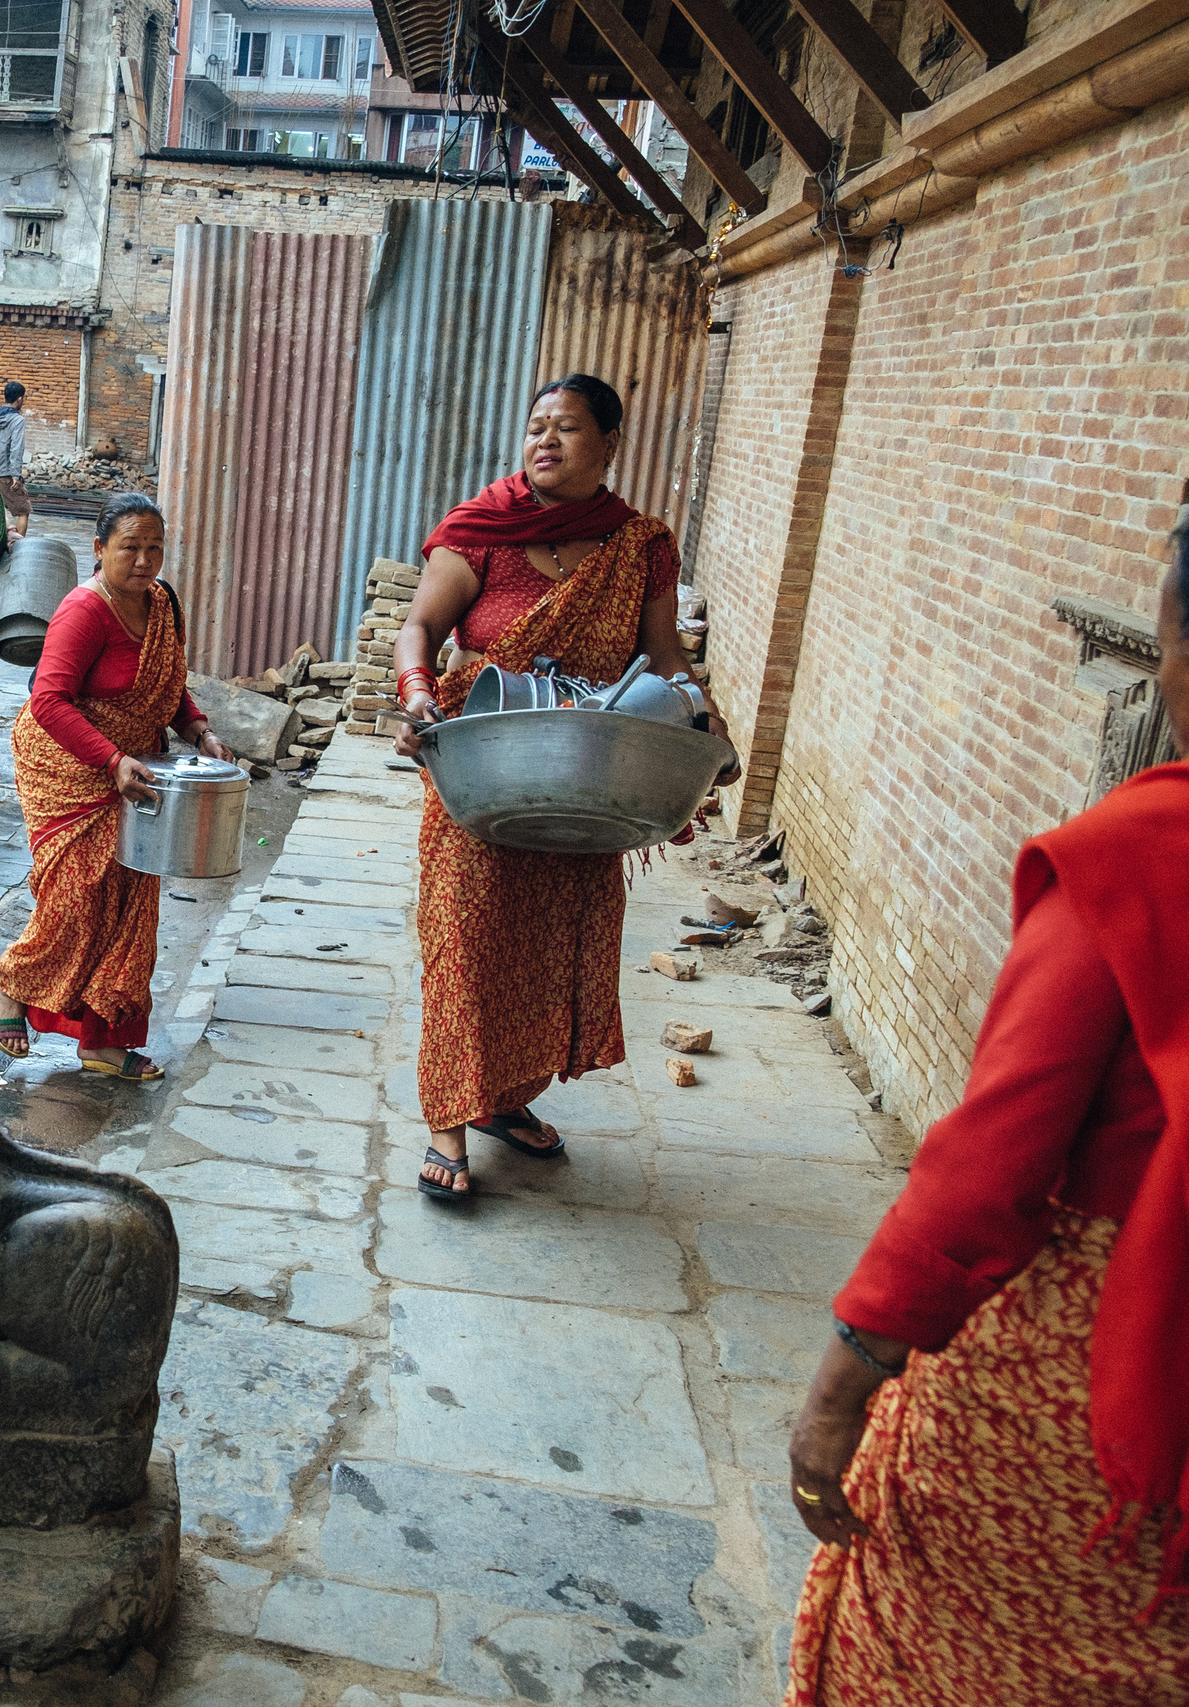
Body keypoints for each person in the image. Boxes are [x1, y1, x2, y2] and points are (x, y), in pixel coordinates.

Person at [779, 497, 1189, 1704]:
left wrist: (841, 1385)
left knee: (934, 1644)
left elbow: (990, 1167)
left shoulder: (1136, 861)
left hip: (1111, 1383)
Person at [391, 373, 738, 1202]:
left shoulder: (640, 545)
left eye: (568, 427)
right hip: (483, 760)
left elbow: (664, 656)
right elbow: (421, 627)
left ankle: (503, 1100)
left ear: (610, 443)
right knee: (465, 939)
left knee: (546, 952)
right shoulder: (482, 530)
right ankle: (449, 1121)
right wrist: (415, 692)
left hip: (588, 773)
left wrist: (704, 718)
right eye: (536, 426)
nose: (545, 440)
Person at [0, 493, 233, 1082]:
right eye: (130, 547)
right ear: (99, 549)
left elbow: (168, 683)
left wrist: (198, 731)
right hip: (68, 763)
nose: (144, 560)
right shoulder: (84, 610)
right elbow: (48, 701)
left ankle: (104, 1039)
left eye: (154, 548)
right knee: (76, 895)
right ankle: (12, 985)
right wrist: (111, 759)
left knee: (130, 899)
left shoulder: (163, 604)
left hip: (137, 767)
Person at [0, 380, 35, 538]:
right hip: (7, 476)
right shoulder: (18, 420)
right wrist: (15, 475)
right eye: (23, 398)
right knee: (23, 511)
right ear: (19, 398)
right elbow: (16, 448)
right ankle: (17, 546)